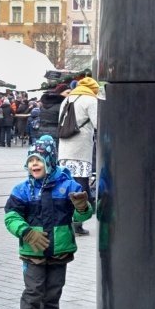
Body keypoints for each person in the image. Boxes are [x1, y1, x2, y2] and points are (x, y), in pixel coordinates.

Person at [3, 134, 93, 309]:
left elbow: (82, 217)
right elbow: (11, 216)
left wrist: (83, 207)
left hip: (59, 251)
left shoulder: (68, 186)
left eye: (39, 160)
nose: (34, 164)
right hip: (33, 252)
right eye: (31, 160)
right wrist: (25, 232)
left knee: (53, 292)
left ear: (50, 161)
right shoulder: (23, 190)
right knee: (33, 292)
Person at [56, 76, 100, 237]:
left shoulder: (67, 99)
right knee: (80, 186)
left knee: (66, 184)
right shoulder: (90, 100)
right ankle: (77, 223)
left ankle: (65, 221)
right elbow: (99, 123)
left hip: (64, 148)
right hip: (80, 150)